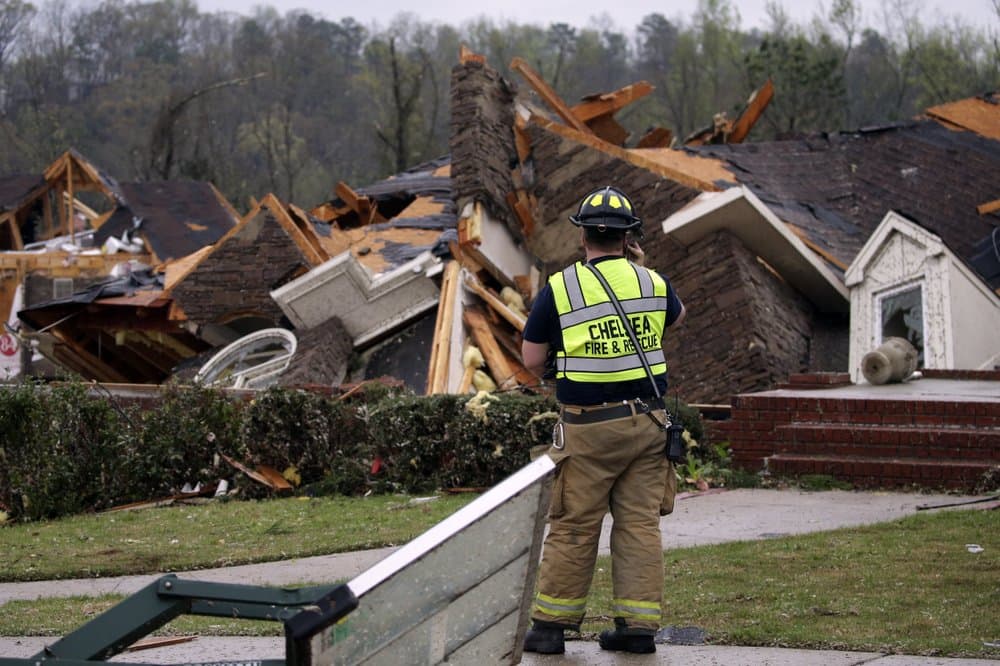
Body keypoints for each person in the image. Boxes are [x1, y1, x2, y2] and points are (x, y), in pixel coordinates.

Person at [521, 186, 686, 655]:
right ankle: (637, 629)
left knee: (574, 524)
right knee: (639, 526)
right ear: (629, 237)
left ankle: (551, 628)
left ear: (582, 237)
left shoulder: (561, 288)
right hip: (649, 427)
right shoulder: (654, 283)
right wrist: (640, 263)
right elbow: (677, 316)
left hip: (589, 431)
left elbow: (532, 358)